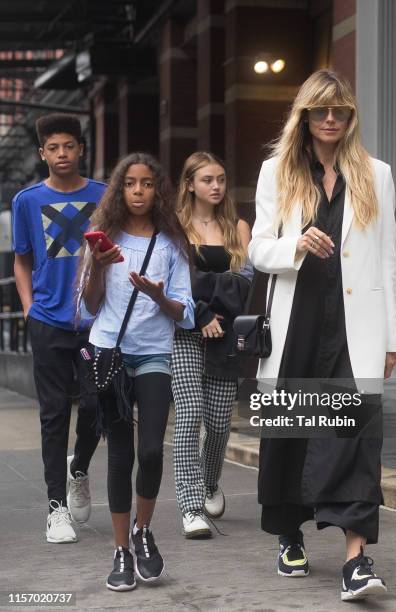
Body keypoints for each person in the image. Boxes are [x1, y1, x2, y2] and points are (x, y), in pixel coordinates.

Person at [248, 69, 396, 601]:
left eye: (340, 111)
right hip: (299, 325)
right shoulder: (277, 172)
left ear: (351, 117)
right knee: (292, 434)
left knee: (359, 438)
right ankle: (291, 535)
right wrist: (295, 244)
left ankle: (356, 560)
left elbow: (387, 262)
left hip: (355, 327)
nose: (331, 119)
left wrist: (391, 338)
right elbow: (257, 250)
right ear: (306, 117)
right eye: (321, 111)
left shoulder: (376, 174)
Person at [78, 152, 193, 591]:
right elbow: (90, 307)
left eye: (147, 183)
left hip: (153, 355)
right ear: (119, 190)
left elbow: (184, 313)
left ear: (158, 189)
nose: (139, 191)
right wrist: (98, 271)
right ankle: (121, 548)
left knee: (150, 451)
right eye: (130, 183)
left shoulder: (171, 244)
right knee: (121, 454)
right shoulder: (104, 240)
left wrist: (159, 296)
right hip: (110, 351)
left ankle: (144, 532)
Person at [12, 113, 106, 543]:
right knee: (53, 415)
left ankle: (79, 468)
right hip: (48, 321)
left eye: (69, 146)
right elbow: (22, 260)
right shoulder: (27, 200)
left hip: (96, 321)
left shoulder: (103, 196)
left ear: (81, 150)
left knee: (95, 406)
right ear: (42, 153)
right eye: (53, 148)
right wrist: (29, 307)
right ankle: (57, 509)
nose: (62, 154)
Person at [172, 151, 252, 538]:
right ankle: (190, 505)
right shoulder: (173, 228)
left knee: (219, 425)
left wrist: (205, 288)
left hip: (227, 337)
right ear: (190, 184)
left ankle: (208, 482)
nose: (216, 186)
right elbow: (176, 283)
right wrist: (202, 311)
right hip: (185, 333)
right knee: (190, 416)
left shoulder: (239, 228)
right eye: (207, 180)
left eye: (221, 178)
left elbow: (247, 284)